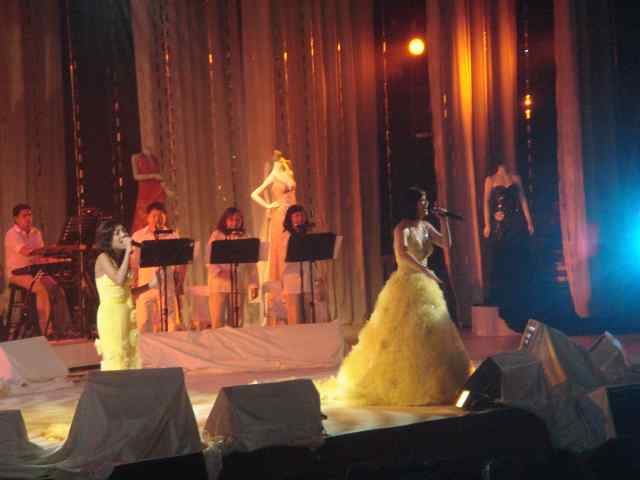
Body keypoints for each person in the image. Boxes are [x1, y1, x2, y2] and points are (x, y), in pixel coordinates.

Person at [318, 188, 471, 406]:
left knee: (430, 332)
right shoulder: (402, 228)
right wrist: (426, 271)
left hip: (426, 285)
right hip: (407, 282)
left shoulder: (426, 226)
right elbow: (402, 255)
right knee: (402, 332)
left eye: (426, 200)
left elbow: (446, 243)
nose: (426, 204)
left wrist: (444, 221)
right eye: (423, 201)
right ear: (412, 204)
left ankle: (432, 378)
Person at [94, 220, 158, 371]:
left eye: (123, 231)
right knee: (118, 358)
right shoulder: (103, 258)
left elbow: (126, 292)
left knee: (130, 357)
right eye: (117, 233)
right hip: (112, 316)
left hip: (127, 313)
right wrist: (128, 251)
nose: (123, 235)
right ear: (108, 239)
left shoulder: (121, 260)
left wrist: (150, 285)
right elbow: (119, 280)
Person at [4, 203, 68, 336]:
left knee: (57, 289)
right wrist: (49, 250)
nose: (28, 218)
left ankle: (64, 329)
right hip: (17, 273)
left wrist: (56, 258)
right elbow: (27, 252)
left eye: (30, 215)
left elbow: (41, 256)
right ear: (16, 219)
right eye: (24, 216)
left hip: (35, 271)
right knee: (41, 290)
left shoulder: (36, 232)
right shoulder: (12, 234)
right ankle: (47, 331)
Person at [482, 163, 534, 319]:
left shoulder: (515, 178)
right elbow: (486, 202)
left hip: (516, 222)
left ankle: (518, 297)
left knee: (517, 258)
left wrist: (529, 221)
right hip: (500, 223)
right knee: (502, 258)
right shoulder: (490, 180)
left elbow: (523, 200)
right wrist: (487, 224)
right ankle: (503, 299)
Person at [130, 202, 184, 333]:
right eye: (154, 216)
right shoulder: (138, 236)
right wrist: (134, 281)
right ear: (147, 217)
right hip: (145, 284)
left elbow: (178, 262)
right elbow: (134, 262)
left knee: (170, 320)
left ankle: (169, 344)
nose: (157, 219)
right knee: (144, 320)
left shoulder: (172, 235)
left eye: (160, 216)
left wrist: (179, 281)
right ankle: (145, 345)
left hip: (166, 283)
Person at [206, 207, 259, 328]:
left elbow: (252, 264)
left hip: (238, 284)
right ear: (225, 220)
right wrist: (220, 272)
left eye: (238, 220)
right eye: (231, 219)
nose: (235, 223)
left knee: (236, 322)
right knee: (217, 321)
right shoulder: (217, 235)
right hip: (218, 285)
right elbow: (209, 258)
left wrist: (254, 284)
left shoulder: (245, 237)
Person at [251, 150, 297, 284]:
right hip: (280, 215)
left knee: (294, 245)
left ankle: (294, 282)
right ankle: (282, 284)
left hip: (293, 214)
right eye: (276, 158)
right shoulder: (273, 175)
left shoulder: (288, 172)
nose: (279, 160)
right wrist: (268, 205)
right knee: (281, 248)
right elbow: (254, 194)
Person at [281, 205, 314, 325]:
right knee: (295, 318)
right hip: (292, 279)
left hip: (307, 278)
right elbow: (284, 257)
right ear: (290, 219)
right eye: (296, 216)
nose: (300, 219)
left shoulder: (309, 234)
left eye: (302, 215)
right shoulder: (285, 236)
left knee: (310, 316)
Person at [131, 149, 172, 234]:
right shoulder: (136, 157)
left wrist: (166, 190)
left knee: (159, 215)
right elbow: (136, 176)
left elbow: (160, 177)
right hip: (145, 191)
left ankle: (161, 236)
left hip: (157, 190)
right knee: (143, 216)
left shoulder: (154, 158)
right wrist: (153, 176)